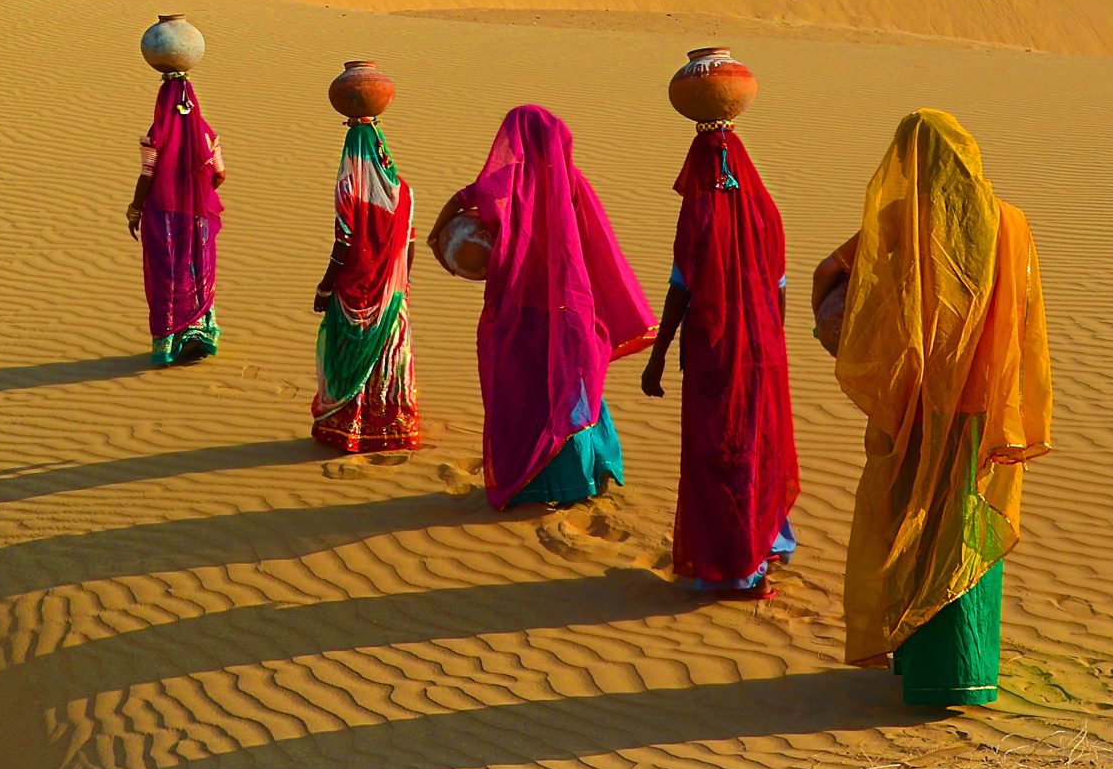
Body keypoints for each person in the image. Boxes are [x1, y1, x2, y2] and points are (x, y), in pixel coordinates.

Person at [816, 109, 1051, 706]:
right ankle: (969, 670)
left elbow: (836, 277)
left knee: (918, 534)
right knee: (966, 535)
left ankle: (923, 666)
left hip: (920, 410)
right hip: (981, 411)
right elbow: (1025, 321)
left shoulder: (899, 219)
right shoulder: (1012, 224)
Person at [429, 105, 655, 509]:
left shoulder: (503, 185)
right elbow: (596, 243)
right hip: (569, 308)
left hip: (525, 311)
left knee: (532, 393)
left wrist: (435, 235)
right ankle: (591, 470)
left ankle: (544, 481)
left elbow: (465, 198)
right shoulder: (570, 182)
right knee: (573, 384)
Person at [641, 117, 798, 599]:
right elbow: (780, 289)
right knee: (760, 446)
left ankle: (737, 567)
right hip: (763, 352)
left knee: (721, 452)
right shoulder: (766, 212)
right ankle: (769, 542)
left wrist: (659, 355)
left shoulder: (700, 213)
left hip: (715, 353)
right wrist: (768, 343)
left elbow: (680, 288)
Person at [309, 115, 420, 451]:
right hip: (391, 293)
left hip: (355, 291)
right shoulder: (403, 190)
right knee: (387, 356)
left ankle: (348, 427)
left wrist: (326, 286)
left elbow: (344, 241)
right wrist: (402, 283)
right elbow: (409, 242)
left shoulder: (349, 186)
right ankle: (389, 426)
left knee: (347, 352)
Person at [127, 71, 224, 363]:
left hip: (164, 217)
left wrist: (135, 208)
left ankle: (173, 340)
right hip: (199, 216)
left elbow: (147, 176)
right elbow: (219, 174)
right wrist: (197, 192)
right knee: (197, 267)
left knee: (169, 272)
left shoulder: (157, 134)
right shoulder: (207, 134)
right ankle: (199, 333)